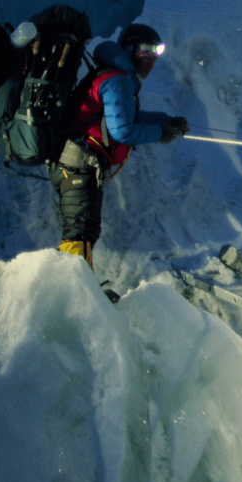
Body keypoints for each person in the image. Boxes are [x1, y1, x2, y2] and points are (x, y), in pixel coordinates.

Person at [49, 23, 189, 298]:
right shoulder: (118, 80)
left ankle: (79, 288)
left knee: (83, 229)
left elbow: (128, 118)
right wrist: (161, 134)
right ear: (129, 49)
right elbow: (123, 130)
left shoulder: (113, 76)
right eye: (147, 49)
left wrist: (167, 122)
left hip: (73, 163)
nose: (152, 57)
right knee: (80, 230)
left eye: (157, 51)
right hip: (79, 164)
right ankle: (73, 294)